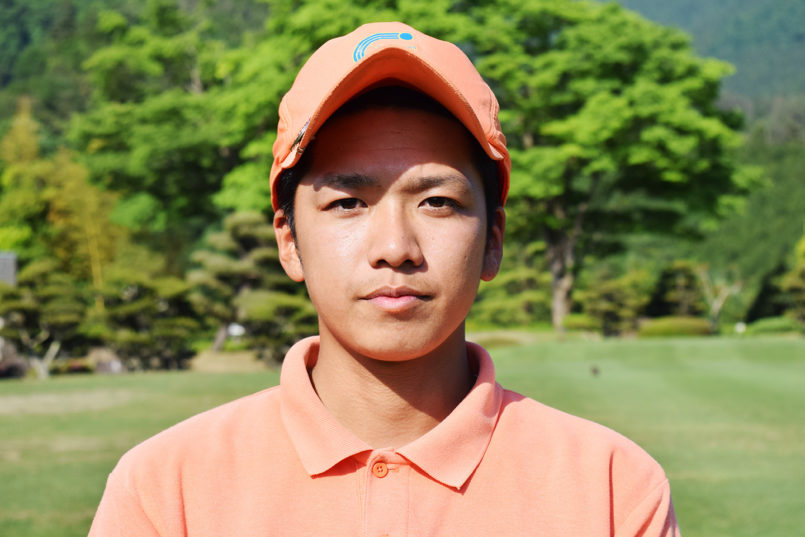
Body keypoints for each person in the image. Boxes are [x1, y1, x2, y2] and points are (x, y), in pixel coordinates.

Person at [89, 21, 680, 536]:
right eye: (347, 203)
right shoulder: (167, 490)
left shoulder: (610, 487)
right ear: (289, 241)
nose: (395, 248)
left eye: (438, 202)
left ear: (493, 241)